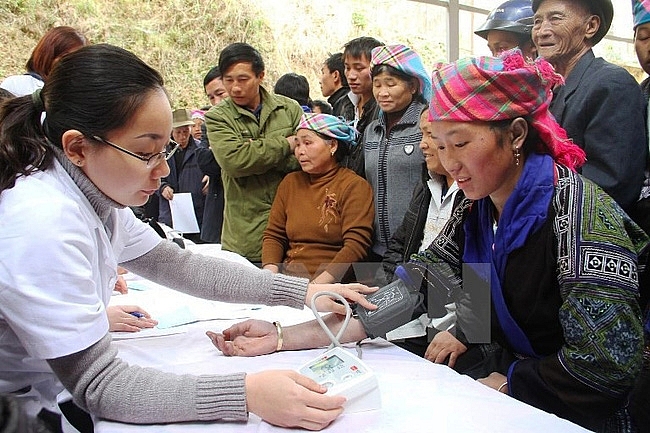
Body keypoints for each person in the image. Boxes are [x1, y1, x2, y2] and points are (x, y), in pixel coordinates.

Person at [209, 50, 648, 433]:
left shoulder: (581, 216)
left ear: (515, 134)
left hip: (577, 414)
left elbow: (607, 364)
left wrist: (513, 381)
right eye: (438, 144)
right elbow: (411, 289)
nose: (450, 162)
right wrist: (283, 337)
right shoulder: (475, 209)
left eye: (460, 143)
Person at [0, 43, 378, 431]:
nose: (163, 170)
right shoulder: (42, 222)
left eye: (165, 151)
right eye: (146, 153)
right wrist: (246, 394)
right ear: (78, 147)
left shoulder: (94, 197)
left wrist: (301, 293)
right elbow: (98, 383)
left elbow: (175, 263)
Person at [532, 0, 647, 213]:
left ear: (591, 26)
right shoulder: (547, 91)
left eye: (555, 19)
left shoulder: (610, 84)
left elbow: (611, 185)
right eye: (537, 21)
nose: (541, 31)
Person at [205, 43, 303, 263]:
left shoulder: (289, 109)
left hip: (293, 234)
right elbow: (235, 162)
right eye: (228, 80)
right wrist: (286, 145)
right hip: (245, 237)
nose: (235, 88)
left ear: (260, 76)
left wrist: (254, 150)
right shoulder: (218, 117)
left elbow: (306, 160)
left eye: (243, 79)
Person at [262, 113, 374, 283]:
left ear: (333, 145)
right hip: (289, 281)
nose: (300, 151)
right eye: (297, 144)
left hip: (332, 285)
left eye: (308, 143)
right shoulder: (290, 183)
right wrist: (270, 278)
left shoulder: (354, 186)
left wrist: (317, 286)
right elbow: (274, 235)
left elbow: (356, 245)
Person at [363, 44, 432, 262]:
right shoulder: (371, 131)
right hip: (377, 249)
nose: (382, 93)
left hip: (419, 243)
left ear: (413, 86)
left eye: (391, 84)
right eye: (377, 85)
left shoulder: (426, 126)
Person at [158, 108, 207, 243]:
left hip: (196, 214)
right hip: (170, 212)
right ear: (171, 132)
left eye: (185, 132)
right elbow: (153, 176)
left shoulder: (199, 150)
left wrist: (210, 178)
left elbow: (211, 170)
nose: (182, 136)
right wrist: (162, 187)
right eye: (178, 132)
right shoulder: (162, 151)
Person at [0, 26, 87, 97]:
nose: (72, 64)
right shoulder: (16, 85)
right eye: (65, 57)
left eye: (78, 59)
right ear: (47, 54)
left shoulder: (80, 96)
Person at [341, 36, 384, 177]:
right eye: (347, 68)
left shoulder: (383, 109)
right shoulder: (344, 104)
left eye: (359, 68)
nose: (351, 75)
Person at [196, 66, 227, 244]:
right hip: (217, 211)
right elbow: (205, 161)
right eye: (211, 97)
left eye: (220, 94)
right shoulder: (209, 126)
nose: (216, 102)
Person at [319, 52, 354, 120]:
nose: (320, 81)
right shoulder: (342, 102)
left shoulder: (346, 105)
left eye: (323, 73)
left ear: (335, 75)